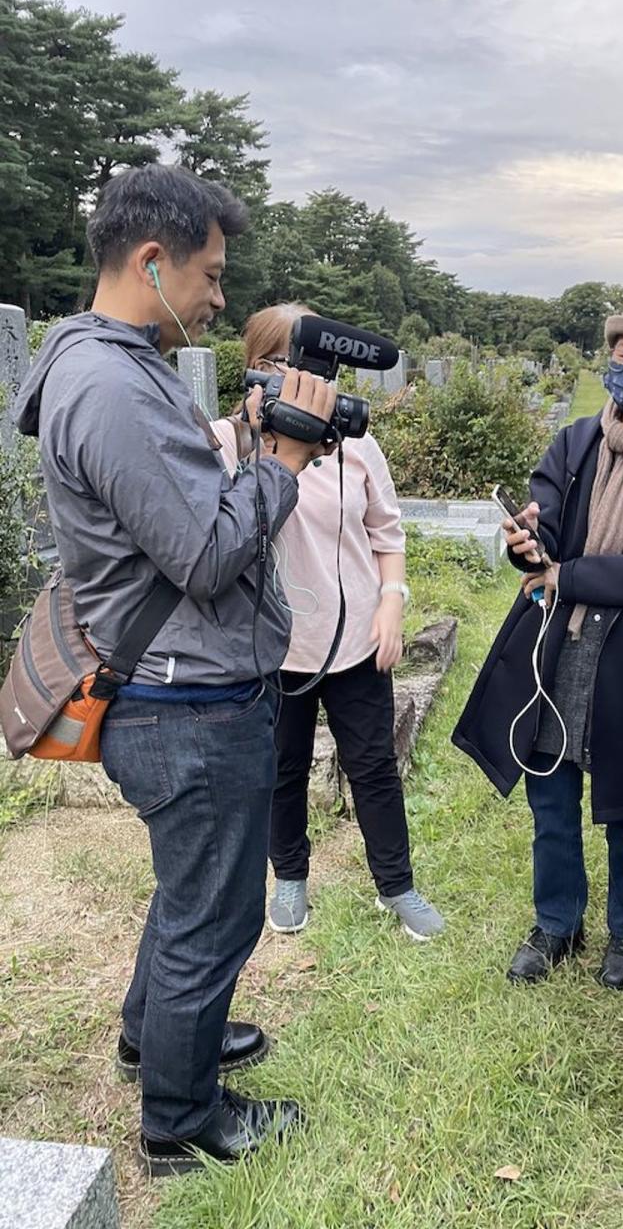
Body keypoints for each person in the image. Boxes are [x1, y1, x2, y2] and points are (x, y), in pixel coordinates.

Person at [15, 165, 338, 1177]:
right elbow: (203, 555)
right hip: (186, 700)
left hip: (174, 687)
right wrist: (280, 462)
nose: (217, 299)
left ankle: (156, 1036)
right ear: (151, 262)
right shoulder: (110, 381)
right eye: (208, 273)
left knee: (188, 888)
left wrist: (243, 440)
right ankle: (182, 1118)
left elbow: (169, 501)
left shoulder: (116, 361)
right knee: (217, 906)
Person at [453, 288, 623, 988]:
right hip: (557, 649)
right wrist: (524, 542)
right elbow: (539, 534)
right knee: (549, 796)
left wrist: (566, 574)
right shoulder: (576, 442)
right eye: (621, 356)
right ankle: (557, 923)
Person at [212, 303, 444, 942]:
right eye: (285, 364)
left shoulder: (357, 443)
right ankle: (289, 878)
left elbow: (386, 533)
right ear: (256, 369)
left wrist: (392, 599)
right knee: (281, 769)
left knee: (372, 768)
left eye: (317, 365)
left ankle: (397, 885)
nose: (306, 378)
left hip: (354, 642)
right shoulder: (229, 444)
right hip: (275, 650)